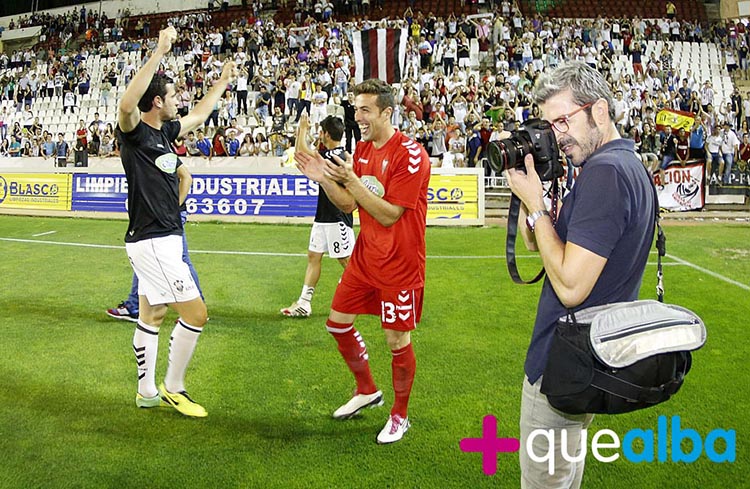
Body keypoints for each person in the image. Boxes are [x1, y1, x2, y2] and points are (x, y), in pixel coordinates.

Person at [504, 61, 656, 489]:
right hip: (588, 361)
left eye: (564, 120)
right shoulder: (622, 163)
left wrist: (535, 205)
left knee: (545, 482)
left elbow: (570, 286)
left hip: (563, 362)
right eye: (550, 125)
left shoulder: (605, 174)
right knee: (565, 475)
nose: (558, 135)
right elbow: (538, 245)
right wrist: (531, 198)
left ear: (601, 112)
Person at [294, 79, 431, 444]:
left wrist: (351, 180)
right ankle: (367, 389)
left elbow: (388, 215)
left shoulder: (411, 154)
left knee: (395, 339)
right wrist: (323, 177)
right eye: (356, 109)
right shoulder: (365, 151)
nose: (358, 117)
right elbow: (350, 205)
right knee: (337, 324)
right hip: (365, 258)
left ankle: (400, 415)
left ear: (387, 112)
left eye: (366, 110)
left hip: (400, 264)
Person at [115, 26, 237, 418]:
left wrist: (220, 83)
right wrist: (158, 51)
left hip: (159, 237)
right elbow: (125, 104)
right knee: (196, 314)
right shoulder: (134, 134)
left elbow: (200, 114)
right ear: (156, 101)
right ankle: (174, 387)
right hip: (154, 240)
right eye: (170, 97)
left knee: (152, 314)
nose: (177, 102)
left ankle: (147, 392)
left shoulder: (165, 132)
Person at [281, 113, 355, 318]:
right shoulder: (335, 154)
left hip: (337, 218)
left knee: (347, 261)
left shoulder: (335, 156)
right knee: (314, 256)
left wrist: (302, 128)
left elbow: (300, 152)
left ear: (327, 134)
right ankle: (304, 302)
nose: (320, 135)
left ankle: (370, 295)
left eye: (321, 132)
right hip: (324, 216)